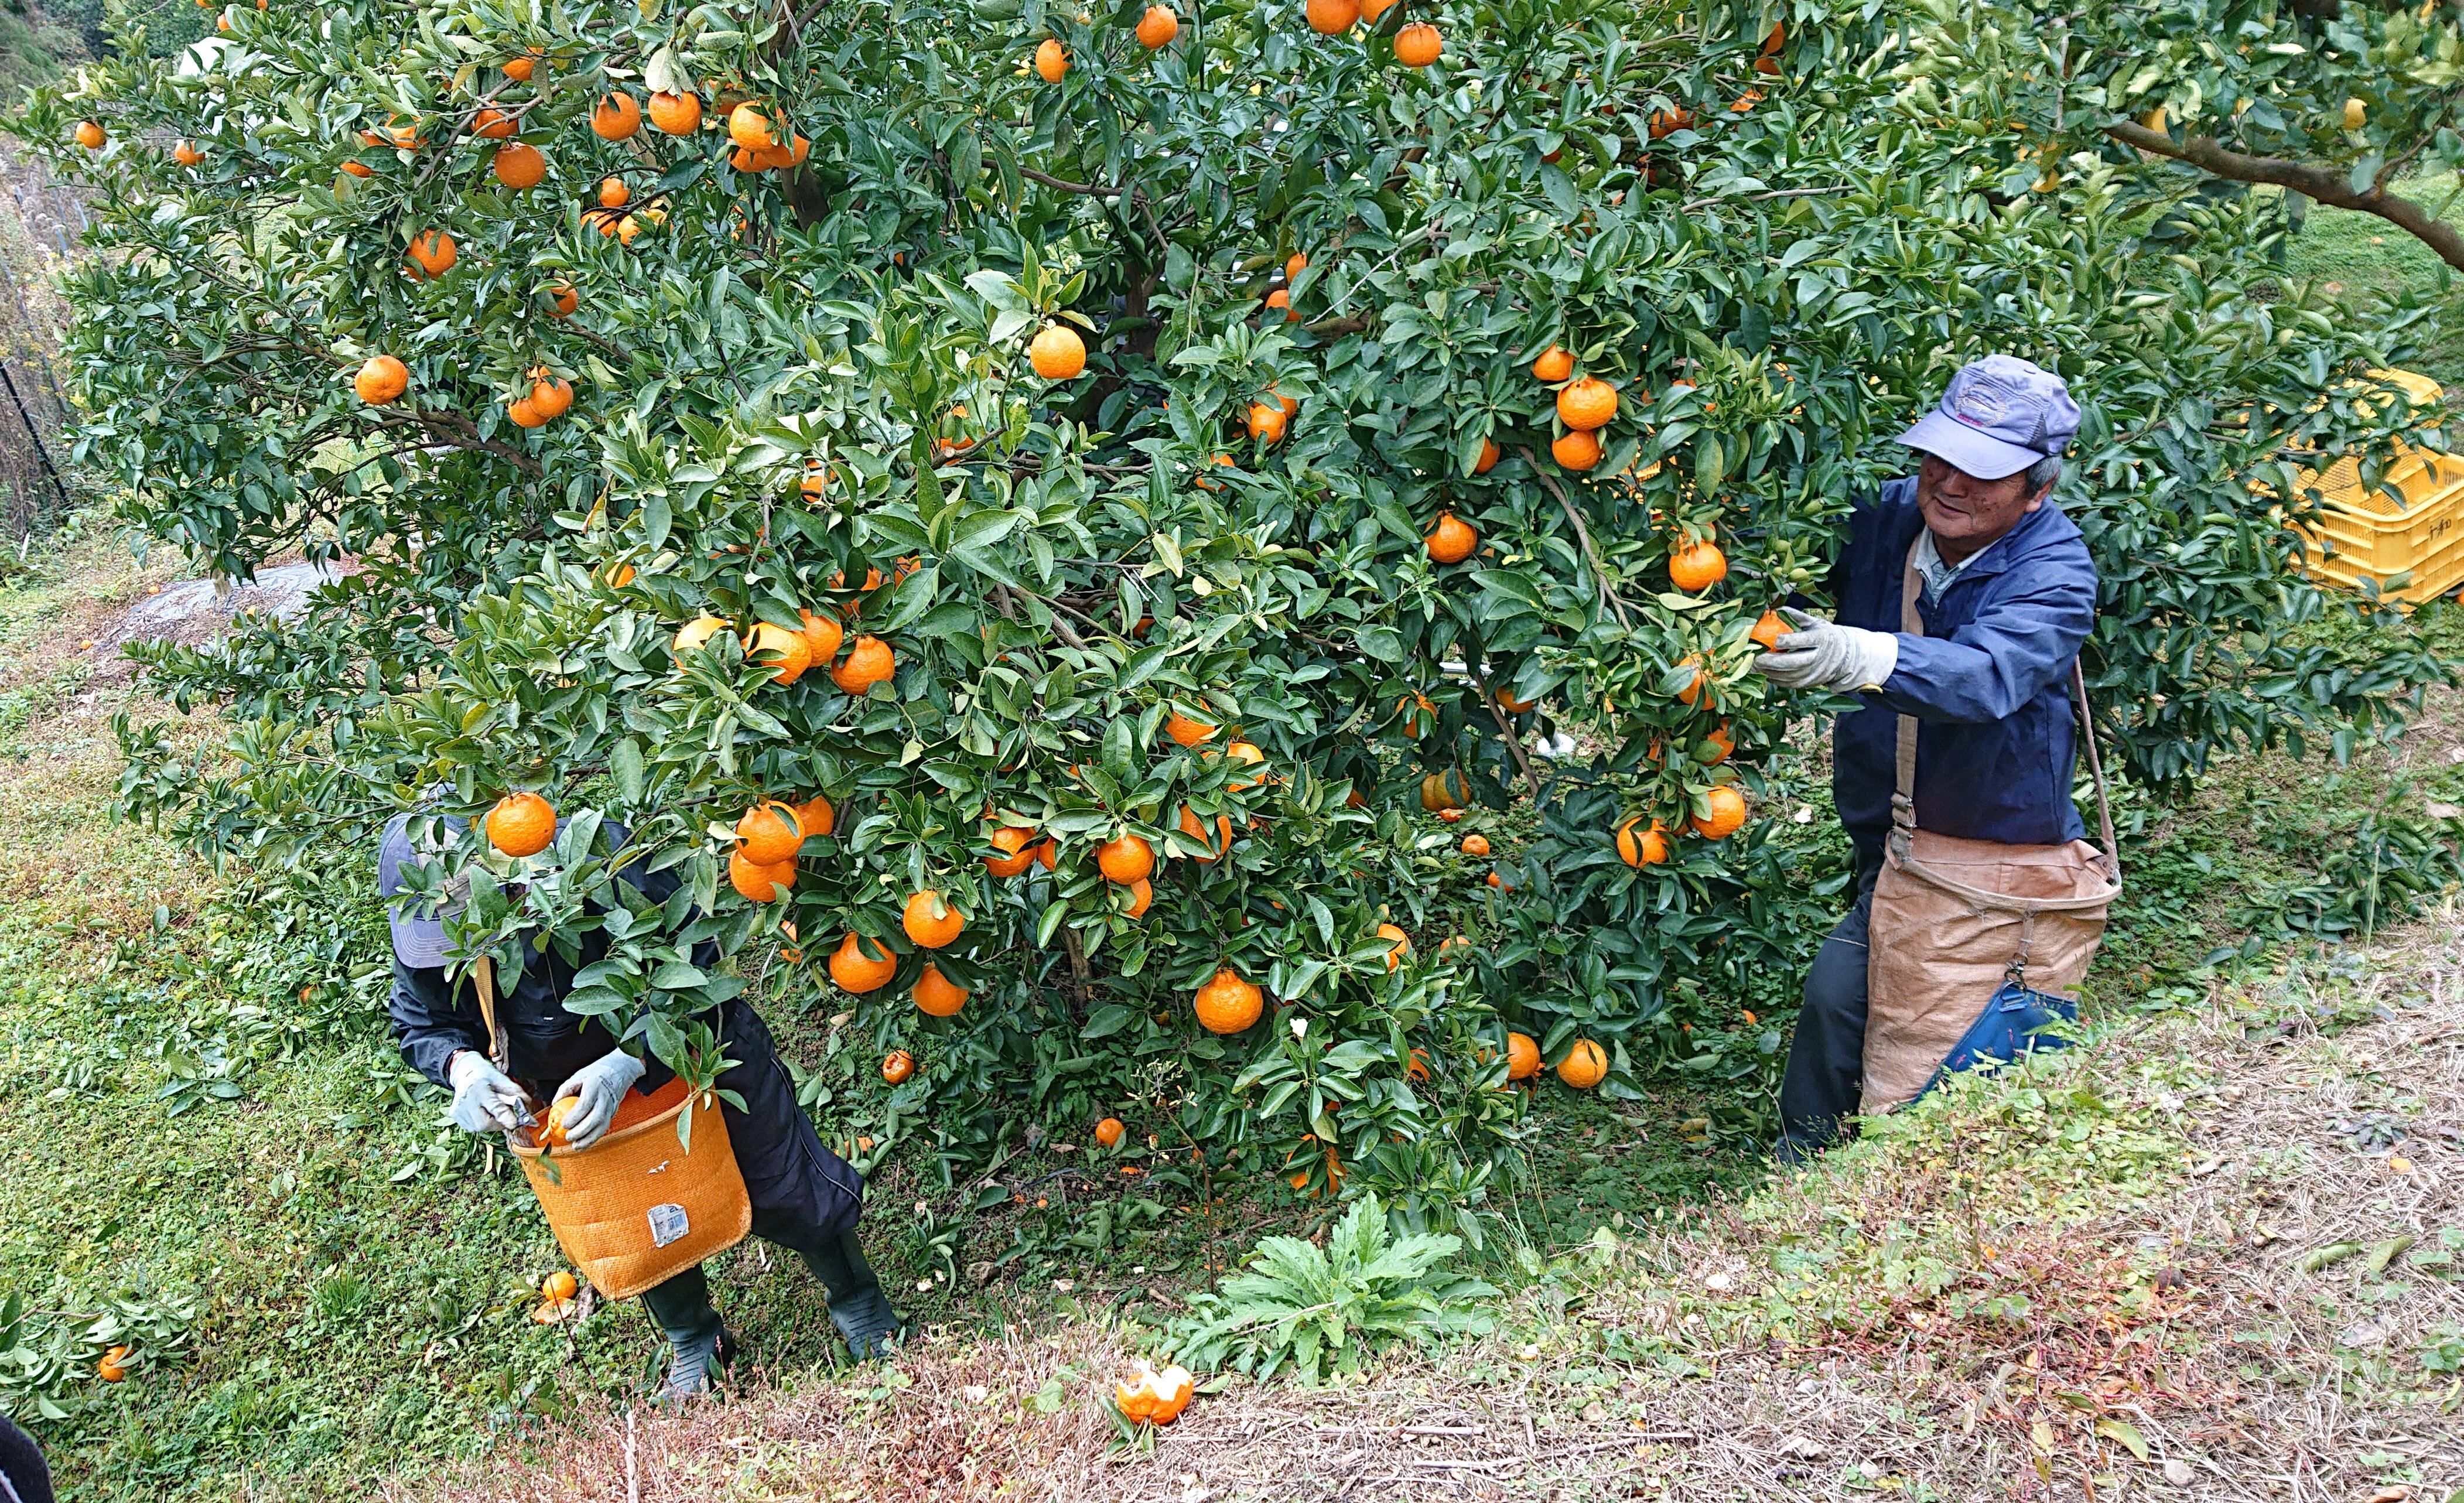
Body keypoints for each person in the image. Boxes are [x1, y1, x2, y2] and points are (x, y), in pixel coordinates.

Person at [380, 811, 904, 1397]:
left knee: (779, 1179)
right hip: (570, 1093)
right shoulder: (428, 926)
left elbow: (698, 964)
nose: (463, 934)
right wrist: (461, 1066)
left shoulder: (601, 862)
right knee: (637, 1217)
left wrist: (630, 1058)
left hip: (695, 1049)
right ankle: (695, 1338)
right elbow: (420, 1020)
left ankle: (858, 1300)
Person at [1753, 354, 2097, 1162]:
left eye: (1982, 472)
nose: (1949, 483)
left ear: (2037, 489)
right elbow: (1779, 556)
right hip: (1887, 826)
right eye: (1939, 457)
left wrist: (1866, 655)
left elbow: (1986, 675)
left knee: (1900, 1020)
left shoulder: (2053, 572)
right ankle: (1813, 1171)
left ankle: (1852, 1169)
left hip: (1985, 842)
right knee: (1847, 1002)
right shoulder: (1887, 517)